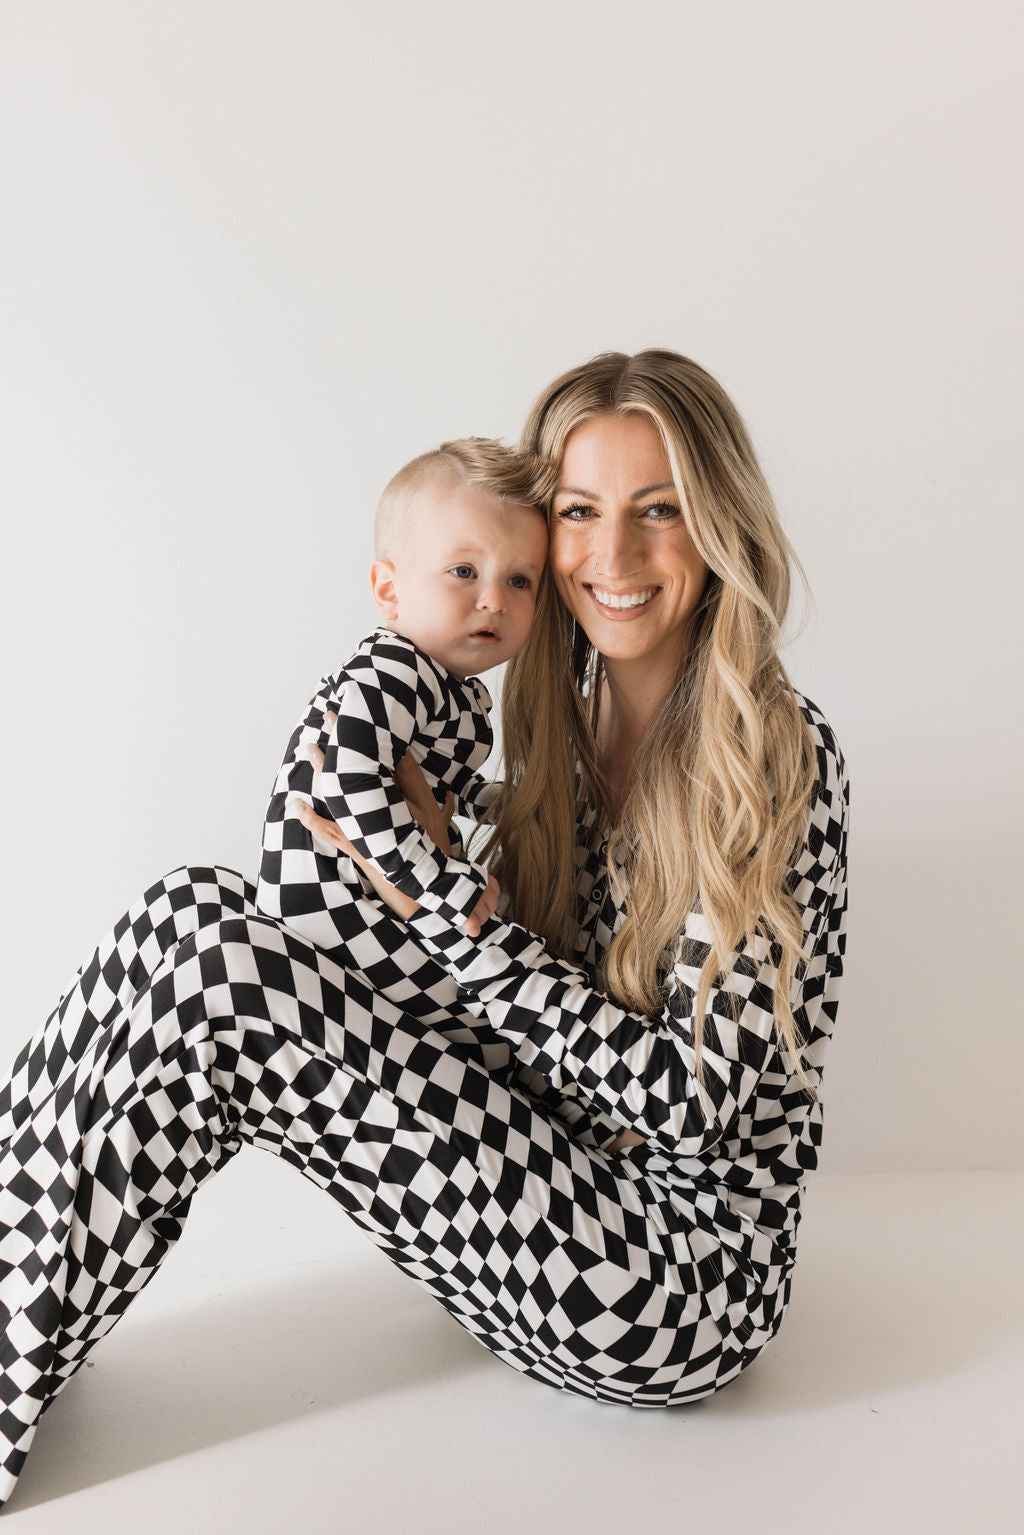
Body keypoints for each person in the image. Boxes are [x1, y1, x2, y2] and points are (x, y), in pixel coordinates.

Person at [0, 348, 849, 1510]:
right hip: (548, 1182)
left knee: (222, 979)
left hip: (670, 1283)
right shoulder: (567, 732)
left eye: (660, 510)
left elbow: (696, 1108)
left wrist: (449, 915)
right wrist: (428, 857)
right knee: (192, 907)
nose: (613, 554)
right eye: (579, 513)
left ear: (719, 527)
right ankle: (24, 1292)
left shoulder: (772, 762)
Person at [255, 436, 548, 957]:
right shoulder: (395, 667)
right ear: (389, 592)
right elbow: (350, 780)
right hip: (338, 906)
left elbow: (438, 785)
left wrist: (516, 806)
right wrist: (439, 882)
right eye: (464, 571)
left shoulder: (442, 682)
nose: (495, 600)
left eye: (520, 580)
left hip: (359, 905)